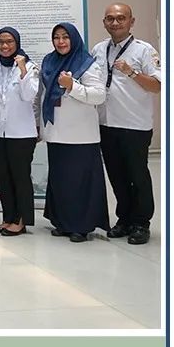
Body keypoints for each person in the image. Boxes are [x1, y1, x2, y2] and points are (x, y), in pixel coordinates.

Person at [93, 3, 163, 246]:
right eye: (110, 18)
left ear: (131, 21)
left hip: (135, 125)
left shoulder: (144, 50)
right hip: (106, 123)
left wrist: (132, 73)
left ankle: (141, 223)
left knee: (137, 175)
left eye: (121, 18)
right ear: (104, 22)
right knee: (116, 175)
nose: (115, 23)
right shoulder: (99, 49)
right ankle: (124, 219)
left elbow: (157, 86)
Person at [38, 21, 110, 243]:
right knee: (61, 181)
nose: (60, 42)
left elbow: (99, 95)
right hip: (56, 132)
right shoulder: (49, 61)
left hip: (81, 135)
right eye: (57, 37)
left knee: (80, 183)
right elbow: (42, 95)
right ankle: (63, 222)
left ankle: (81, 226)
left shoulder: (87, 63)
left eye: (65, 37)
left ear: (74, 39)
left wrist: (72, 86)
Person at [0, 26, 39, 236]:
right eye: (1, 42)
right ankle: (8, 217)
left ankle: (21, 220)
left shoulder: (30, 66)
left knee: (20, 176)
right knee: (3, 176)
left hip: (21, 133)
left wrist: (23, 69)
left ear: (17, 43)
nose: (5, 46)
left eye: (9, 42)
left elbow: (29, 95)